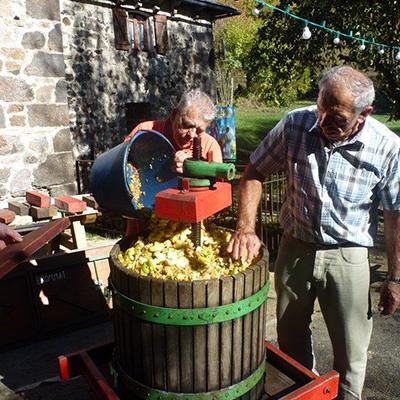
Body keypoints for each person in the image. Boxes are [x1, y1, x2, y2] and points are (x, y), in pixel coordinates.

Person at [227, 65, 400, 400]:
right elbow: (255, 171)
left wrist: (395, 277)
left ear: (364, 114)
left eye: (336, 118)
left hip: (348, 257)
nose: (322, 122)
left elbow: (396, 214)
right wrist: (245, 227)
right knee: (290, 344)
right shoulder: (295, 123)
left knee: (351, 352)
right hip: (295, 250)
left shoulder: (388, 147)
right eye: (321, 109)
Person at [124, 89, 223, 235]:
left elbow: (217, 197)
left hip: (186, 237)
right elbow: (122, 170)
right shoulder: (144, 132)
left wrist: (193, 170)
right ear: (174, 114)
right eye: (187, 125)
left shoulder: (209, 146)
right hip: (141, 231)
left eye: (200, 131)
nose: (192, 135)